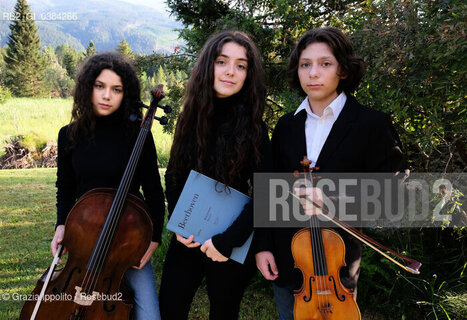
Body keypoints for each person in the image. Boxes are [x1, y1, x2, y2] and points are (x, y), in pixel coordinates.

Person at [254, 27, 404, 319]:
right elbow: (266, 191)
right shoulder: (286, 127)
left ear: (344, 70)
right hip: (289, 259)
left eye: (325, 64)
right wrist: (262, 247)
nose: (313, 73)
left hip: (337, 264)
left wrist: (333, 196)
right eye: (305, 64)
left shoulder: (371, 124)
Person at [159, 30, 271, 320]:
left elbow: (266, 194)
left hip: (231, 240)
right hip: (189, 234)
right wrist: (180, 223)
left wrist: (227, 241)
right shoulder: (191, 116)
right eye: (222, 62)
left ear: (248, 74)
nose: (230, 72)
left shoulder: (256, 128)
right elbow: (174, 174)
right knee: (169, 308)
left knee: (224, 313)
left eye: (241, 65)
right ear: (209, 65)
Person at [50, 52, 165, 320]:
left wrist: (154, 238)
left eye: (116, 89)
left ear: (126, 95)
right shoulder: (69, 134)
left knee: (150, 316)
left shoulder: (139, 135)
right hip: (84, 237)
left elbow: (154, 191)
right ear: (88, 87)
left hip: (128, 239)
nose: (106, 95)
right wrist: (61, 224)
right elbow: (65, 187)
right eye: (100, 86)